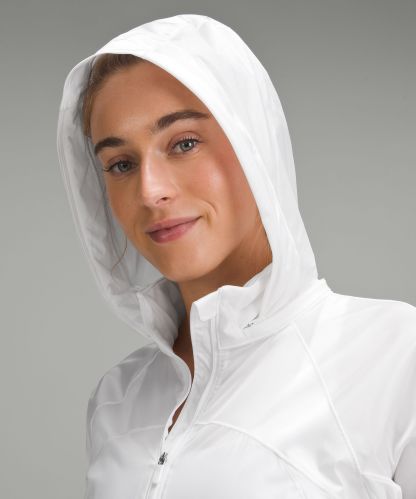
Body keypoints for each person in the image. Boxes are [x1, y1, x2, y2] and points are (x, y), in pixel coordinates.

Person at [56, 13, 416, 499]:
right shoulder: (117, 399)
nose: (150, 191)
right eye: (121, 164)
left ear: (255, 143)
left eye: (184, 143)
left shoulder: (392, 356)